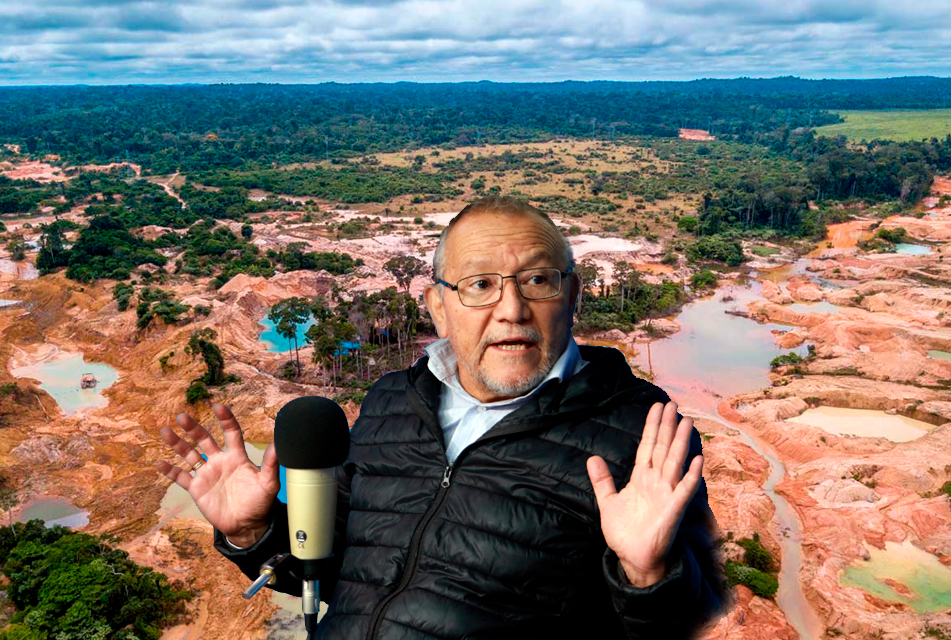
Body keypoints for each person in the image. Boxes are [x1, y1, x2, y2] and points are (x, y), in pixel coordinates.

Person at [156, 195, 732, 639]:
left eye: (537, 280)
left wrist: (650, 576)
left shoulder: (643, 432)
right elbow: (343, 577)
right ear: (438, 305)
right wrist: (252, 534)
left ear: (573, 295)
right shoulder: (388, 403)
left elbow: (688, 619)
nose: (511, 308)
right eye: (479, 284)